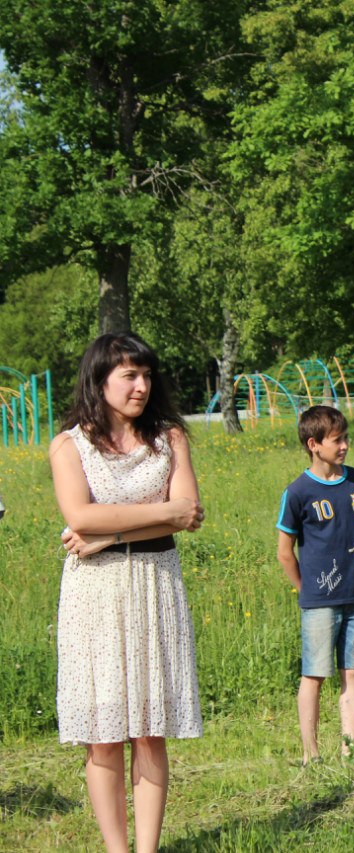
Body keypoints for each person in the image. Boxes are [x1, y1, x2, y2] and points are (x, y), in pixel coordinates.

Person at [50, 333, 204, 853]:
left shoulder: (170, 438)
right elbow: (79, 516)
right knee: (104, 730)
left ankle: (147, 850)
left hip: (156, 585)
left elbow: (189, 514)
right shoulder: (70, 445)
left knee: (150, 729)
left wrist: (111, 532)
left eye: (147, 375)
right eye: (129, 376)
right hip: (96, 596)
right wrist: (158, 514)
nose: (142, 386)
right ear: (100, 381)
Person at [276, 405, 354, 763]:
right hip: (319, 601)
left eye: (346, 437)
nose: (345, 445)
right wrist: (306, 589)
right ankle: (311, 754)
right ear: (314, 444)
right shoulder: (298, 491)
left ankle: (352, 750)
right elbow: (285, 552)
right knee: (314, 674)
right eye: (337, 440)